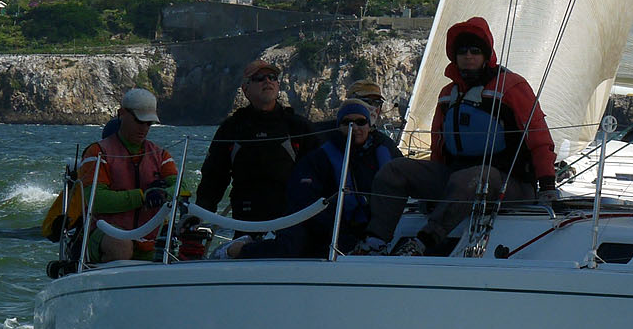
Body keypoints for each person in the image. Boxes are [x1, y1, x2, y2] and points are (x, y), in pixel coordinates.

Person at [367, 16, 557, 253]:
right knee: (394, 171)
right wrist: (432, 192)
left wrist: (547, 185)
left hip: (510, 183)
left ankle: (423, 242)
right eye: (462, 51)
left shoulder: (511, 88)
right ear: (454, 56)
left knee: (471, 178)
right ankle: (374, 242)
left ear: (486, 55)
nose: (468, 56)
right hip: (458, 179)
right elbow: (439, 146)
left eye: (475, 51)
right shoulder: (448, 95)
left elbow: (539, 138)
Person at [194, 59, 317, 227]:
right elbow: (213, 178)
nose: (267, 81)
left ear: (278, 85)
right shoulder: (232, 128)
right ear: (245, 89)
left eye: (272, 77)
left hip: (291, 221)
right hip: (245, 221)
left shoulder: (298, 126)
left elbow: (319, 172)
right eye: (259, 78)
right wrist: (199, 215)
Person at [272, 100, 401, 257]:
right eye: (348, 123)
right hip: (336, 230)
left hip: (378, 227)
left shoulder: (384, 150)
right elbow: (304, 198)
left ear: (369, 125)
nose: (355, 127)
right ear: (339, 126)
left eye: (361, 122)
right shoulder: (320, 158)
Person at [77, 87, 178, 264]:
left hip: (150, 238)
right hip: (106, 233)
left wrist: (163, 194)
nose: (144, 128)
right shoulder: (97, 152)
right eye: (139, 121)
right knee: (121, 246)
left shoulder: (161, 155)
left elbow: (181, 188)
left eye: (149, 124)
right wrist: (143, 196)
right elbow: (96, 199)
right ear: (121, 114)